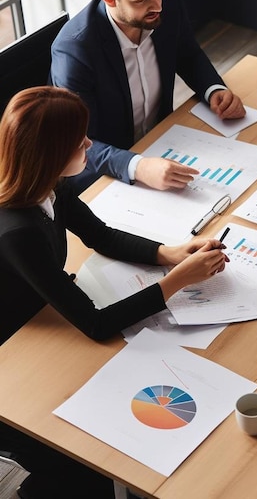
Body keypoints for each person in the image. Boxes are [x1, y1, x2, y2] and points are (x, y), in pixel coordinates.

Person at [0, 87, 230, 498]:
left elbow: (100, 236)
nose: (89, 143)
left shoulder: (50, 184)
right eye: (80, 140)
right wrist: (177, 281)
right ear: (52, 153)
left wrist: (169, 253)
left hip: (47, 318)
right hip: (17, 353)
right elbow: (95, 323)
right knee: (90, 469)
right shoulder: (16, 231)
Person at [50, 0, 246, 194]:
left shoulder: (169, 2)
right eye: (141, 0)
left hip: (165, 144)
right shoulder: (75, 49)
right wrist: (138, 166)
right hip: (105, 173)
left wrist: (214, 90)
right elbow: (79, 142)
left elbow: (188, 55)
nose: (157, 5)